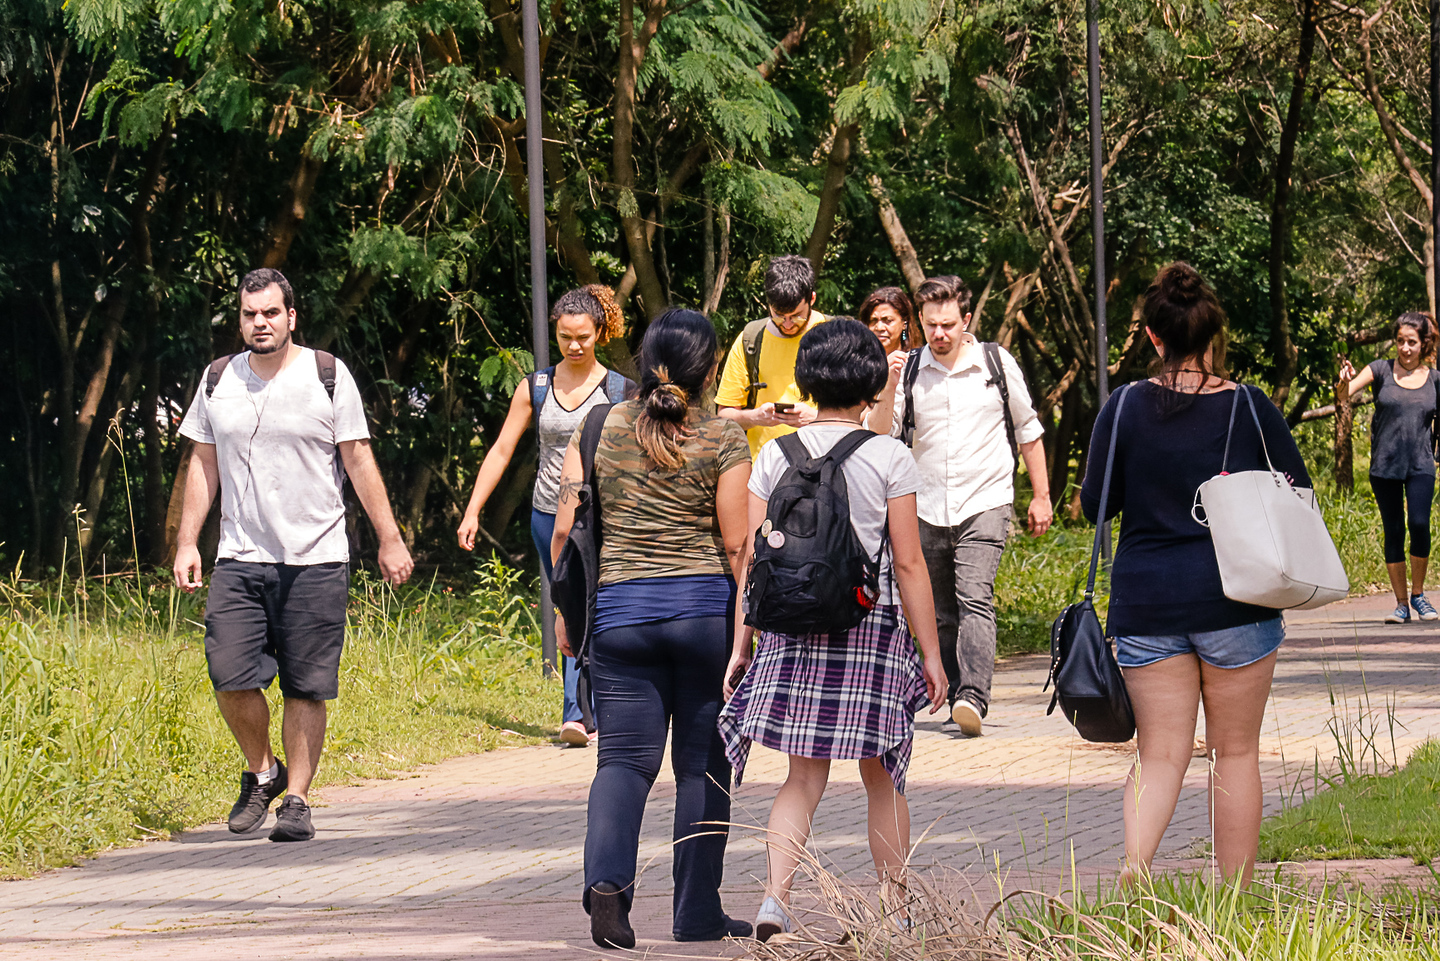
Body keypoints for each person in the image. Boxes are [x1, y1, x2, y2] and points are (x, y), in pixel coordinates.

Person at [1081, 262, 1311, 886]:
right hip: (1237, 599)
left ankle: (1134, 867)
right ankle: (1234, 895)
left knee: (1159, 755)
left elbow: (1093, 500)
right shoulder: (1249, 406)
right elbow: (1300, 490)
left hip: (1148, 601)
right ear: (1210, 333)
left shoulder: (1124, 405)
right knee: (1234, 752)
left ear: (1154, 337)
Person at [719, 319, 947, 942]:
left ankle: (774, 899)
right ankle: (893, 908)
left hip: (792, 631)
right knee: (884, 773)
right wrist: (932, 654)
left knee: (802, 776)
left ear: (810, 379)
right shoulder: (888, 455)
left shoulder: (774, 453)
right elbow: (907, 562)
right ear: (873, 384)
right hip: (870, 627)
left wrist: (742, 644)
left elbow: (754, 562)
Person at [173, 267, 414, 842]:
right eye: (250, 314)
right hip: (239, 555)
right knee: (228, 673)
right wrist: (186, 540)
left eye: (271, 313)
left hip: (317, 556)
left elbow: (357, 458)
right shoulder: (218, 380)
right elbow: (203, 463)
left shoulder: (327, 376)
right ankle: (263, 772)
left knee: (306, 686)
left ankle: (298, 800)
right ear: (240, 319)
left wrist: (389, 536)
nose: (260, 323)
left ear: (291, 316)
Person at [551, 309, 753, 949]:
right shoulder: (722, 438)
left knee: (623, 764)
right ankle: (696, 914)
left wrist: (565, 615)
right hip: (704, 618)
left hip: (619, 618)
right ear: (710, 370)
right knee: (702, 770)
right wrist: (747, 635)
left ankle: (608, 892)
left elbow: (566, 531)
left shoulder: (598, 426)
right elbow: (738, 545)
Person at [867, 275, 1051, 738]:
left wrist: (1043, 496)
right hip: (925, 502)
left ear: (965, 320)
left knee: (975, 597)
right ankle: (952, 694)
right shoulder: (908, 370)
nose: (939, 334)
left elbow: (1028, 430)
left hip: (985, 498)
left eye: (948, 324)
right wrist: (888, 384)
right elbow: (882, 436)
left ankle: (974, 696)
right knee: (940, 611)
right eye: (931, 325)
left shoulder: (995, 362)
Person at [457, 285, 632, 746]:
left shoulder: (619, 390)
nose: (574, 346)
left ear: (600, 334)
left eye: (583, 337)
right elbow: (500, 451)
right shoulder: (535, 387)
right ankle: (575, 713)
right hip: (545, 515)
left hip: (600, 518)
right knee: (568, 601)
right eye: (565, 337)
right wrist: (473, 510)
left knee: (603, 605)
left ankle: (604, 704)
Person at [1337, 312, 1440, 624]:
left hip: (1421, 464)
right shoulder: (1380, 369)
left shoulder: (1435, 379)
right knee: (1393, 529)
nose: (1405, 348)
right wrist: (1342, 381)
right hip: (1386, 466)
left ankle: (1419, 595)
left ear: (1424, 344)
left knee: (1420, 525)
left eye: (1411, 342)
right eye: (1400, 341)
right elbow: (1344, 394)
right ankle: (1400, 604)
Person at [715, 254, 829, 457]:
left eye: (796, 316)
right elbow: (724, 415)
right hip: (763, 473)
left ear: (812, 298)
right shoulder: (750, 340)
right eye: (778, 315)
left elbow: (864, 412)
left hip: (825, 468)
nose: (787, 324)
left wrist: (817, 418)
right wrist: (755, 417)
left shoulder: (836, 335)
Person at [858, 285, 919, 355]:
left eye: (888, 320)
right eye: (873, 320)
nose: (879, 327)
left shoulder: (919, 362)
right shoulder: (856, 363)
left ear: (904, 323)